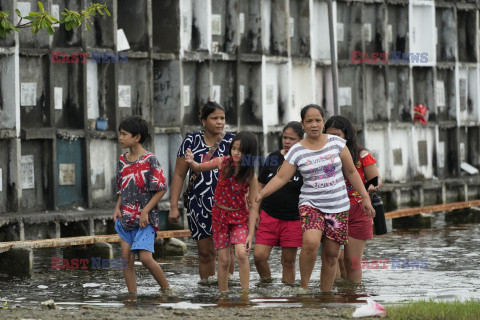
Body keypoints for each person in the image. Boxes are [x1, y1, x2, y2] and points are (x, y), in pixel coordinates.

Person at [255, 104, 375, 292]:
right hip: (311, 204)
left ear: (323, 122)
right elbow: (281, 177)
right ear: (303, 125)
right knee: (310, 242)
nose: (314, 125)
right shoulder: (297, 150)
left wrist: (365, 198)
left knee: (331, 255)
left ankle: (325, 294)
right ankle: (304, 288)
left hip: (338, 206)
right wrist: (261, 193)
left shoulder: (336, 143)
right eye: (309, 121)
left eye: (318, 120)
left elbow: (351, 172)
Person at [185, 131, 260, 292]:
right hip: (219, 217)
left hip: (239, 217)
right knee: (224, 260)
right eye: (233, 148)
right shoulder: (223, 163)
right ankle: (223, 294)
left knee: (241, 253)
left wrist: (250, 234)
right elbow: (198, 167)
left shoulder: (250, 176)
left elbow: (254, 205)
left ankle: (245, 293)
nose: (235, 152)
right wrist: (191, 162)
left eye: (240, 150)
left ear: (249, 153)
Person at [168, 101, 234, 283]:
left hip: (228, 205)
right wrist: (174, 206)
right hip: (198, 205)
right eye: (214, 118)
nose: (219, 122)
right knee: (205, 252)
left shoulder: (232, 142)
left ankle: (227, 286)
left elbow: (245, 174)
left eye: (222, 118)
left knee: (227, 252)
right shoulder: (191, 141)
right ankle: (206, 287)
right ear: (203, 121)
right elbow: (179, 175)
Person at [113, 115, 170, 294]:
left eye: (124, 134)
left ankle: (167, 289)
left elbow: (161, 188)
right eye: (120, 134)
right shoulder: (122, 160)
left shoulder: (150, 160)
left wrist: (145, 211)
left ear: (137, 137)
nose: (120, 138)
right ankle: (132, 296)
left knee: (145, 258)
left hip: (146, 220)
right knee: (126, 259)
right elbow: (123, 188)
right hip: (126, 218)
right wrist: (117, 207)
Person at [325, 115, 381, 283]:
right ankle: (335, 296)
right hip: (332, 209)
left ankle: (355, 296)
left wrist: (372, 186)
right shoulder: (324, 155)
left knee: (352, 262)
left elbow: (376, 178)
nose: (332, 139)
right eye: (329, 135)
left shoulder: (362, 155)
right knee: (332, 259)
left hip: (358, 209)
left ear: (347, 135)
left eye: (337, 135)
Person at [253, 121, 304, 284]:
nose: (287, 141)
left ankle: (287, 293)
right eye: (285, 138)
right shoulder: (274, 158)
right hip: (268, 215)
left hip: (293, 219)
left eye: (292, 139)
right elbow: (260, 184)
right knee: (259, 256)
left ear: (301, 140)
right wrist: (255, 212)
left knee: (288, 261)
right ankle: (268, 285)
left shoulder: (304, 160)